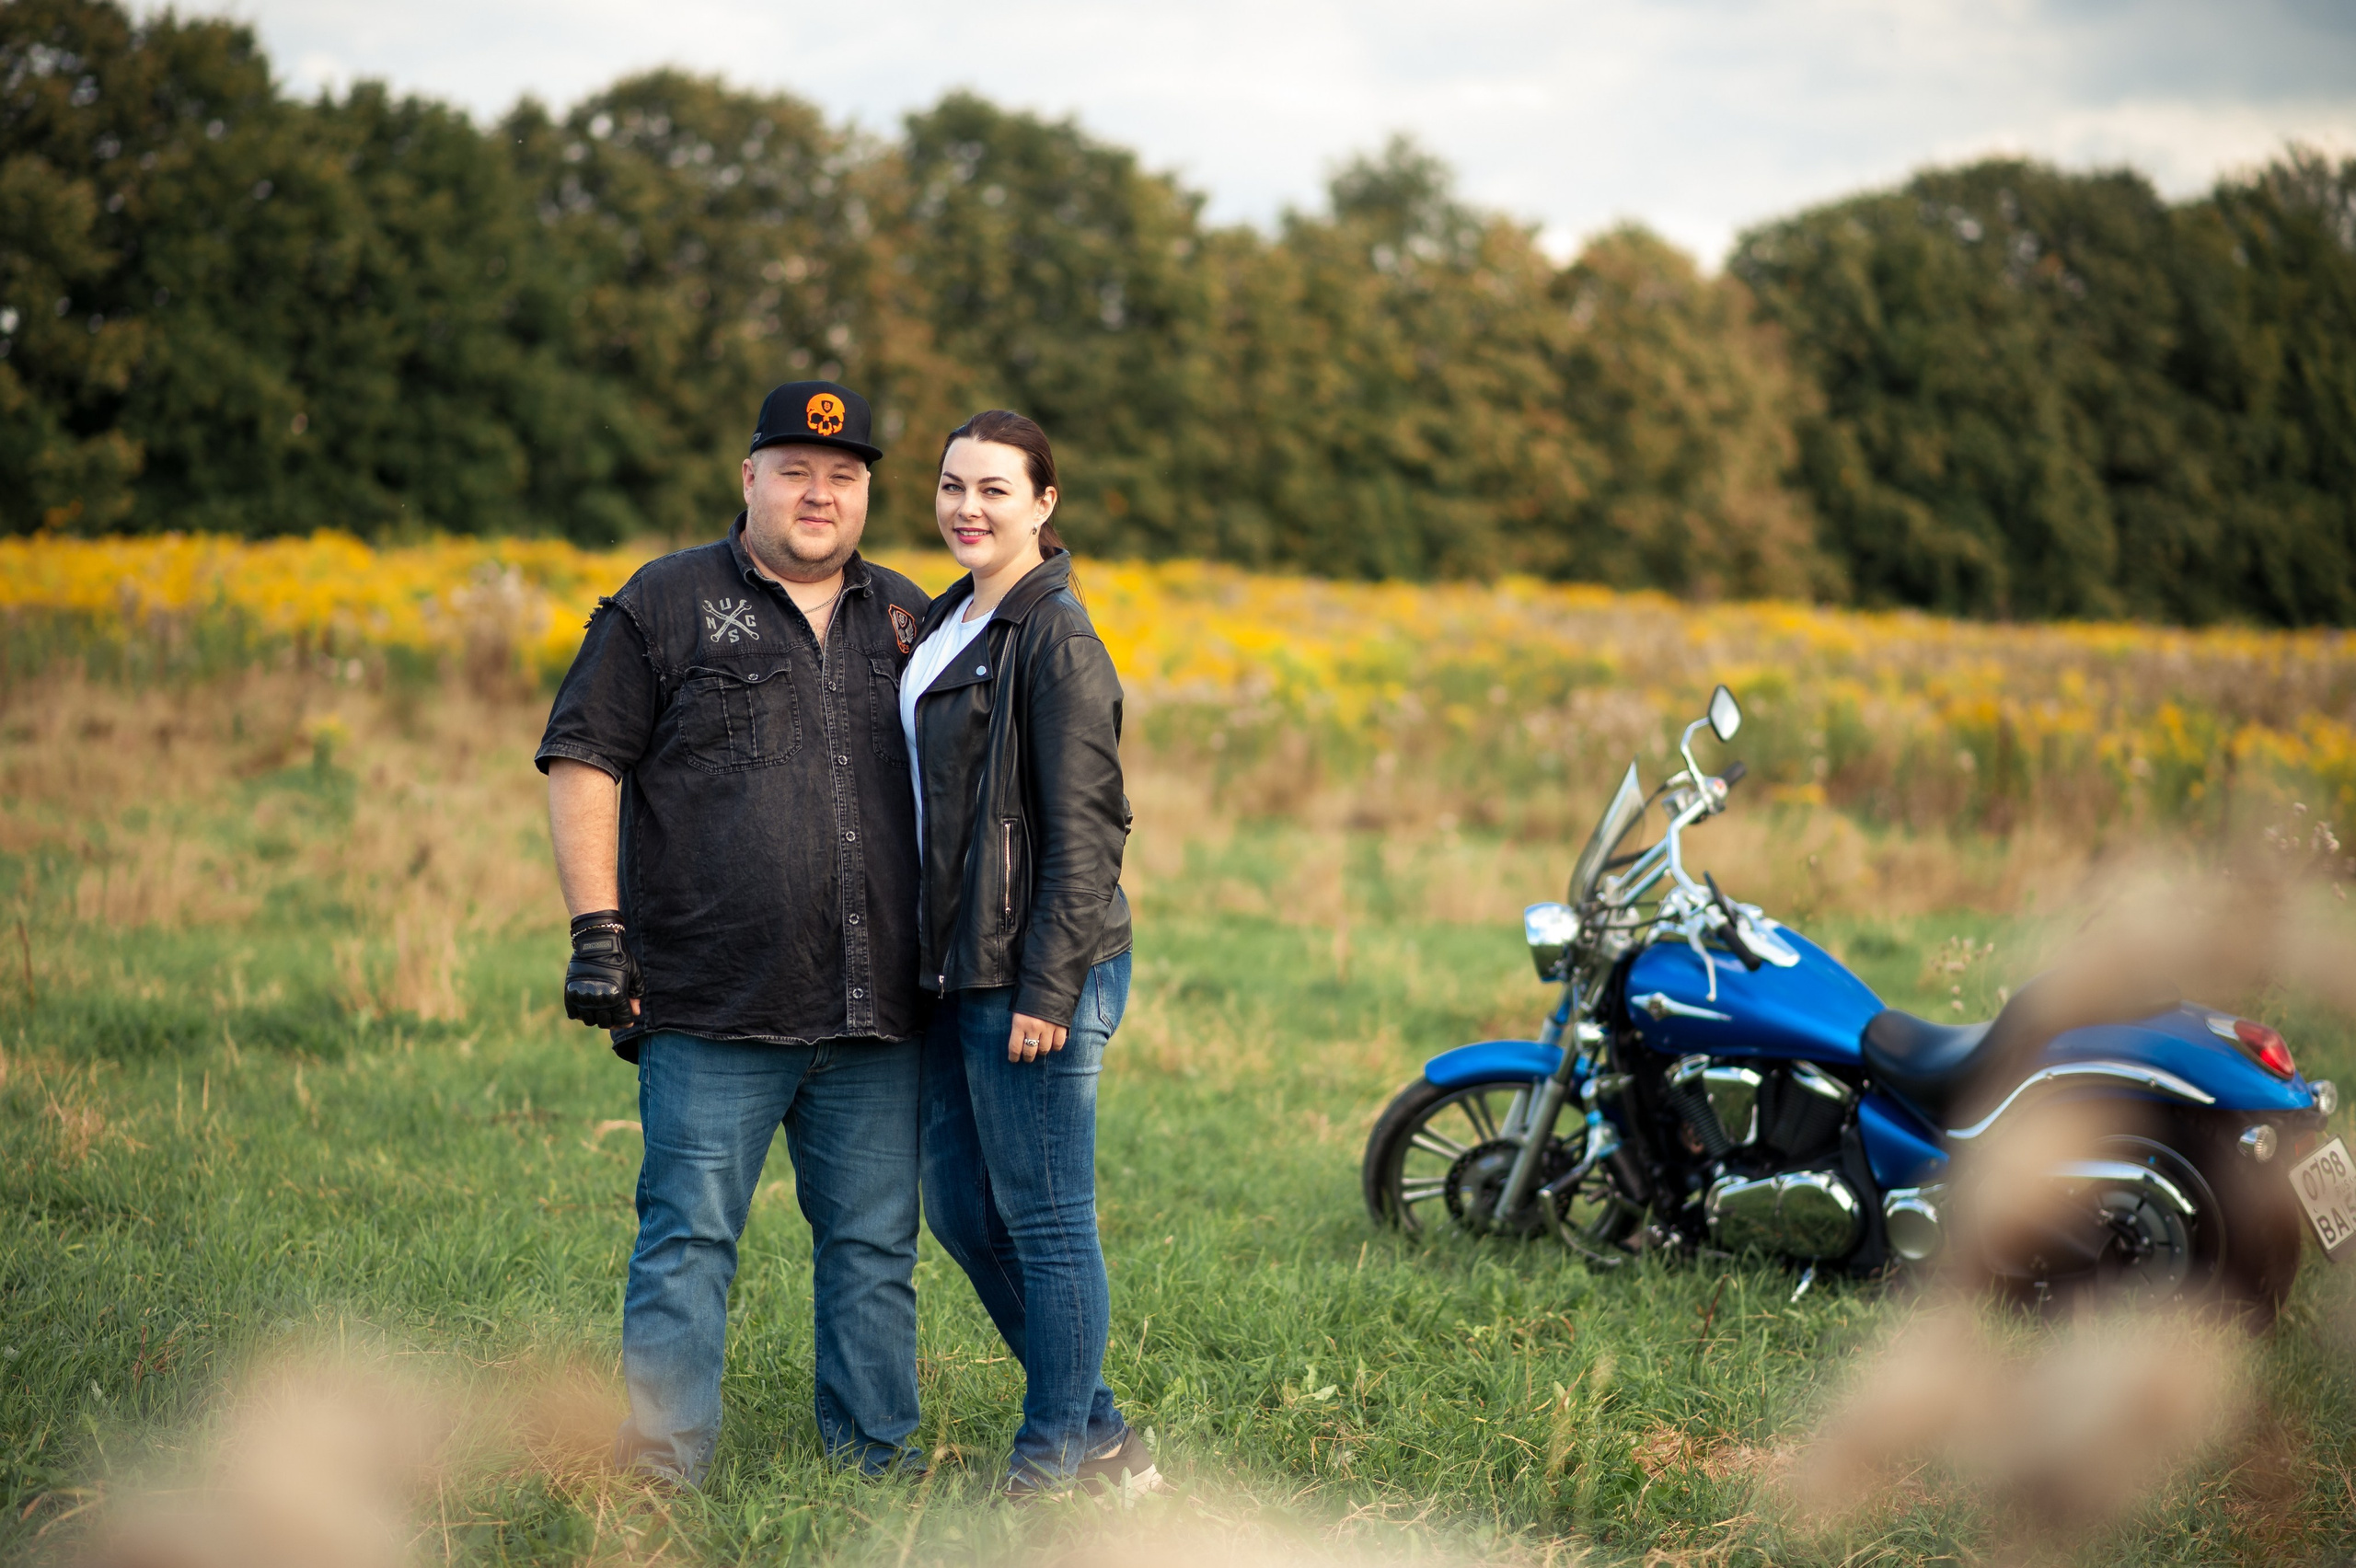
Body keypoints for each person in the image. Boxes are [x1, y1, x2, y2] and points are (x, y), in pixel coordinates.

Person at [537, 380, 933, 1487]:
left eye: (844, 476)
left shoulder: (909, 616)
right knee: (689, 1244)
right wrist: (596, 932)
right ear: (748, 477)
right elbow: (584, 762)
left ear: (864, 495)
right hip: (710, 1000)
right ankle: (663, 1472)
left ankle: (877, 1467)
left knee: (871, 1251)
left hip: (877, 1008)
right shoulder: (660, 604)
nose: (820, 492)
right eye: (796, 470)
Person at [903, 409, 1167, 1499]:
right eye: (953, 486)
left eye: (994, 490)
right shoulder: (949, 618)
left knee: (1048, 1222)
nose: (968, 507)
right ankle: (1101, 1434)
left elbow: (1089, 830)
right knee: (961, 1211)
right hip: (961, 965)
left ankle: (1052, 1463)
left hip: (1036, 970)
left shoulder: (1056, 638)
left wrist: (1048, 986)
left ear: (1044, 505)